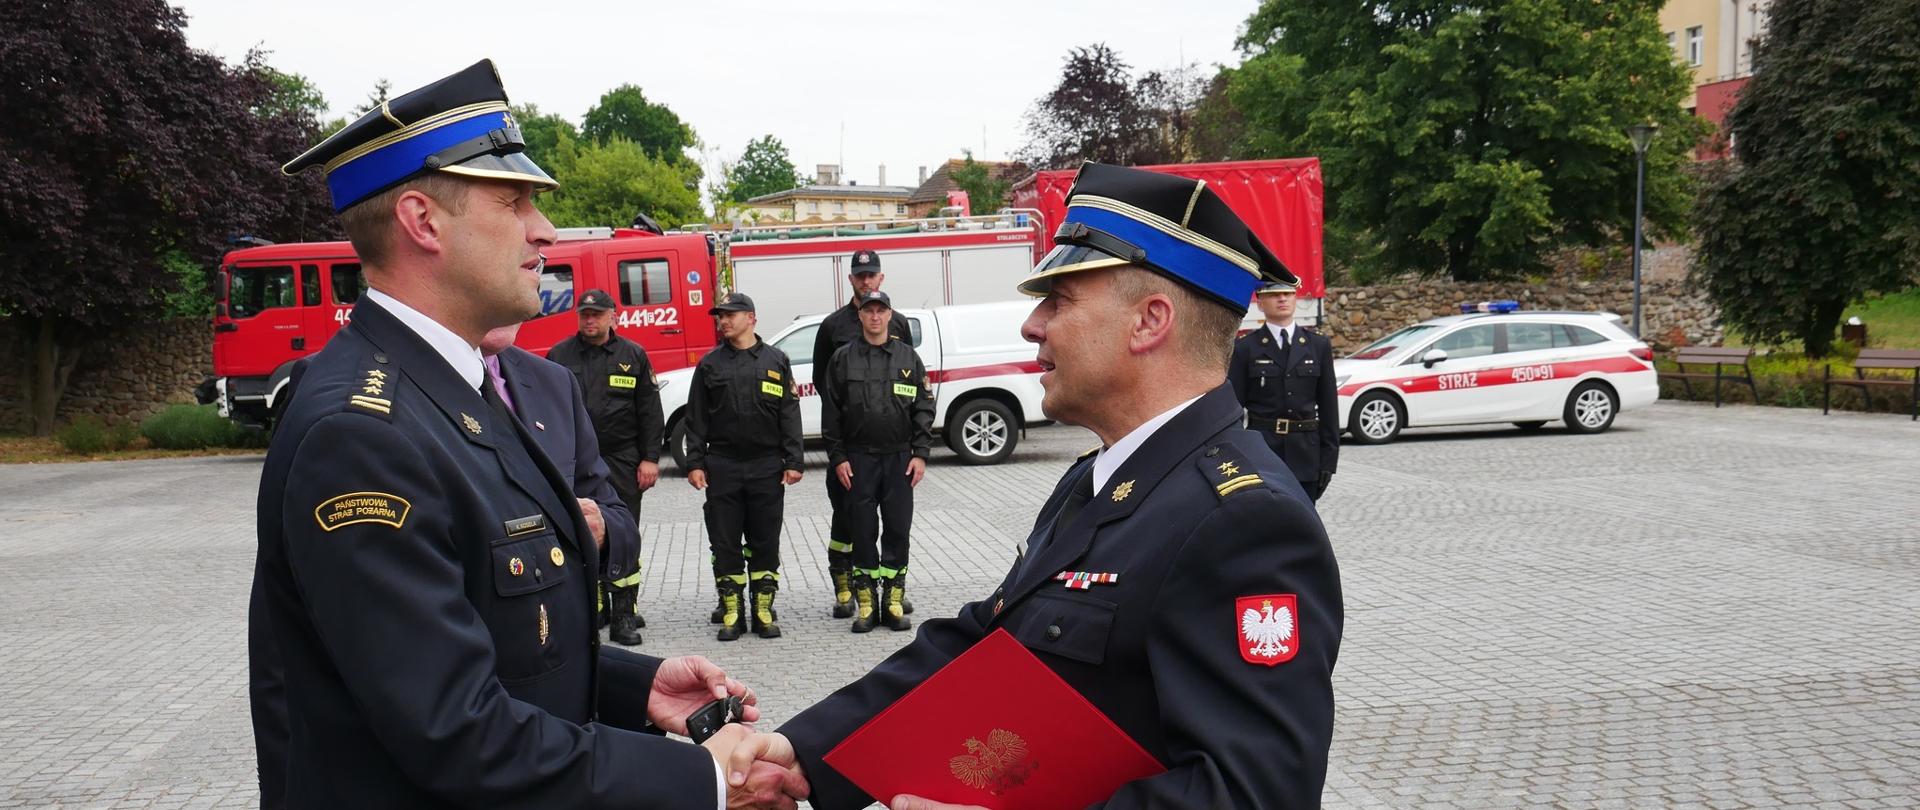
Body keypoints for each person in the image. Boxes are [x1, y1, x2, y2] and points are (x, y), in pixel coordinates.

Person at [255, 59, 803, 808]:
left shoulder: (454, 386)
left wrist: (634, 686)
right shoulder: (361, 434)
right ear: (422, 221)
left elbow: (492, 641)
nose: (544, 230)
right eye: (513, 202)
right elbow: (455, 729)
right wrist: (703, 780)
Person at [732, 162, 1344, 808]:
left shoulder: (1245, 521)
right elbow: (984, 645)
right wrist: (806, 752)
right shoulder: (1099, 476)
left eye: (1060, 300)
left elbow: (1255, 794)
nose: (1032, 324)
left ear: (1149, 322)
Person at [546, 288, 664, 645]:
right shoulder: (559, 355)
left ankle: (624, 614)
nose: (590, 320)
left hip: (622, 459)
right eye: (585, 314)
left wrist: (650, 458)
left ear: (614, 316)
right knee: (582, 531)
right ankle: (595, 607)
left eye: (597, 314)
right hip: (576, 460)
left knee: (623, 534)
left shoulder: (633, 355)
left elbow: (650, 411)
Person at [684, 292, 804, 641]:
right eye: (720, 316)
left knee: (765, 540)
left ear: (751, 318)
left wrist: (794, 459)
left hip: (766, 465)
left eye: (730, 315)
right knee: (725, 541)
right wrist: (695, 463)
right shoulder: (710, 364)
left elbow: (789, 412)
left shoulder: (776, 360)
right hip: (723, 465)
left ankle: (763, 610)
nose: (723, 321)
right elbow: (696, 418)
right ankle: (732, 612)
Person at [820, 290, 934, 633]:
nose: (874, 316)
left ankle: (893, 602)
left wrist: (920, 454)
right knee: (863, 531)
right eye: (868, 310)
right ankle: (867, 604)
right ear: (860, 315)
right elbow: (831, 413)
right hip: (858, 460)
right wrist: (838, 457)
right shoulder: (842, 359)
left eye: (880, 311)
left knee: (898, 529)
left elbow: (923, 407)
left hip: (899, 459)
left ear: (889, 315)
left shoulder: (907, 357)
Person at [809, 249, 914, 619]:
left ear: (881, 278)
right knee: (847, 518)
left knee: (893, 523)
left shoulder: (898, 323)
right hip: (852, 448)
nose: (866, 280)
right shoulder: (832, 327)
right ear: (851, 279)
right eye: (860, 275)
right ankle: (845, 585)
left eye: (872, 274)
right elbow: (825, 386)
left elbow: (906, 378)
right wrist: (842, 440)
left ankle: (888, 592)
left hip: (891, 451)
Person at [1228, 279, 1341, 501]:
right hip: (1263, 452)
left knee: (1305, 518)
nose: (1282, 299)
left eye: (1288, 294)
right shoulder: (1245, 348)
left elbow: (1329, 408)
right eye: (1274, 294)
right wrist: (1239, 456)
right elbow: (1234, 409)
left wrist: (1328, 461)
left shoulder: (1317, 345)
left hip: (1306, 453)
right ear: (1260, 303)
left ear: (1295, 299)